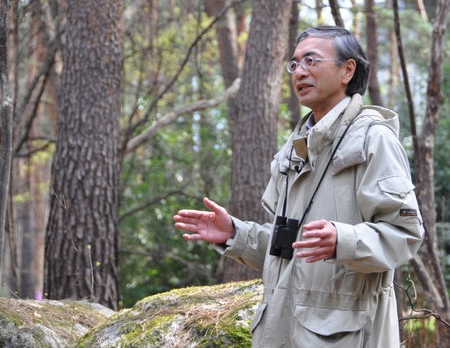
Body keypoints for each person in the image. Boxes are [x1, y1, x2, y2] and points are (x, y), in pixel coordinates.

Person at [173, 26, 424, 347]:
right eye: (294, 64)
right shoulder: (295, 149)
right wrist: (235, 233)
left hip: (345, 336)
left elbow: (405, 235)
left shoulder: (374, 140)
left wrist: (343, 240)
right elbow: (290, 249)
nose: (299, 72)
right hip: (281, 332)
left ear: (348, 69)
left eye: (311, 61)